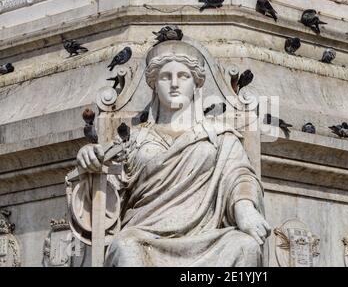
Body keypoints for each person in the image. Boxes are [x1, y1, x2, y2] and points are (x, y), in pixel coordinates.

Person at [73, 41, 271, 266]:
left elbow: (240, 176)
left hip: (207, 236)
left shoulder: (221, 135)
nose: (174, 84)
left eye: (183, 77)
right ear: (154, 85)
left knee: (245, 246)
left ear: (196, 83)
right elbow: (110, 184)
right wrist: (89, 161)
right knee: (125, 247)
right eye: (165, 77)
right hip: (145, 233)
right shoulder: (133, 139)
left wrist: (244, 209)